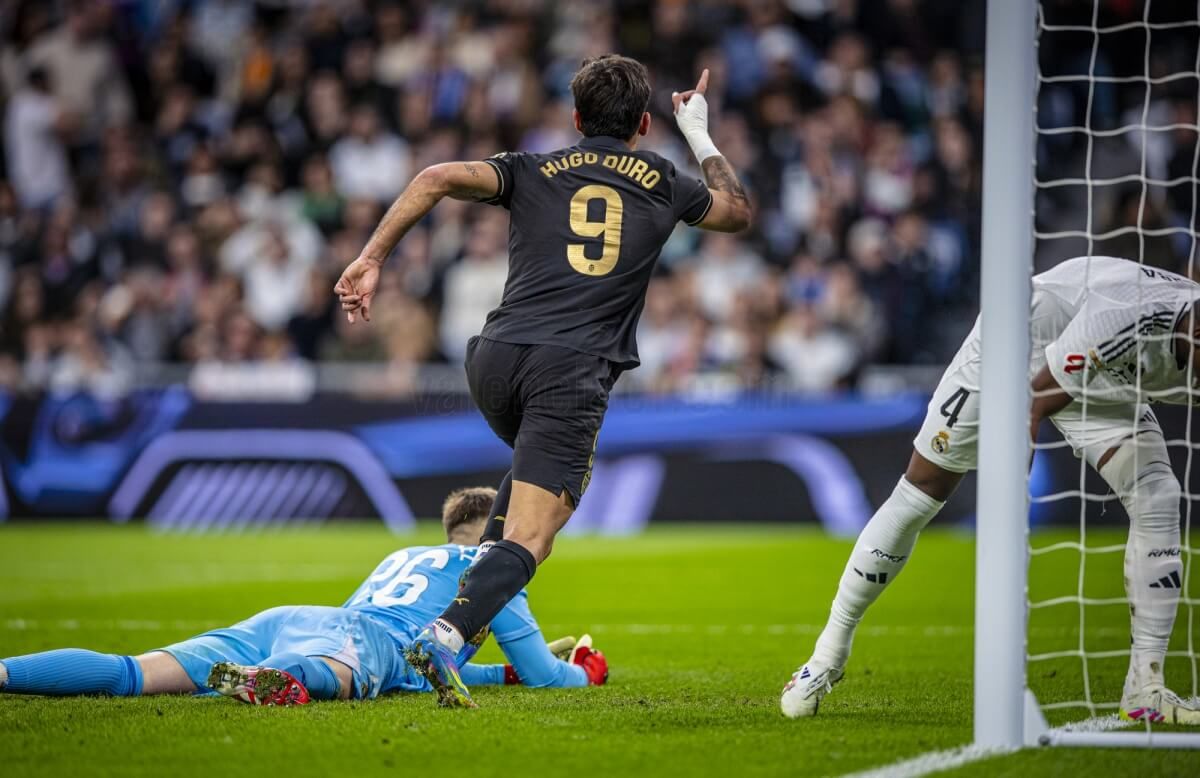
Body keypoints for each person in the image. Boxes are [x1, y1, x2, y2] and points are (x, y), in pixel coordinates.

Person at [335, 56, 750, 708]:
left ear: (576, 118)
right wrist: (697, 131)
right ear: (644, 123)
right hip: (570, 371)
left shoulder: (532, 168)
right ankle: (441, 637)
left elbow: (436, 176)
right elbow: (737, 213)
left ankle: (464, 629)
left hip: (493, 361)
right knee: (533, 537)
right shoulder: (665, 181)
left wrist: (370, 258)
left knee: (516, 515)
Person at [781, 255, 1200, 725]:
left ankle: (1145, 690)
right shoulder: (1127, 314)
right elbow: (1033, 403)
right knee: (923, 489)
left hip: (1106, 373)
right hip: (1022, 339)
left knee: (1157, 495)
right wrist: (1011, 486)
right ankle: (827, 655)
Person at [0, 487, 608, 705]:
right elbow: (546, 677)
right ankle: (272, 678)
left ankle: (7, 672)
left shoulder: (403, 556)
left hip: (298, 619)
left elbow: (431, 664)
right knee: (333, 676)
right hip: (361, 641)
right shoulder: (493, 572)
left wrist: (499, 676)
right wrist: (585, 673)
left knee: (134, 673)